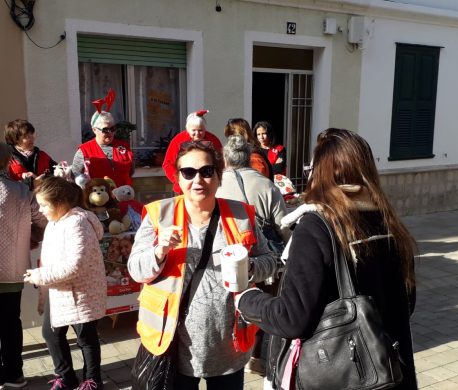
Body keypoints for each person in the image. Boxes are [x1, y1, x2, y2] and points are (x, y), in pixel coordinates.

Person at [236, 128, 418, 389]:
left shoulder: (317, 226)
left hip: (341, 374)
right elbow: (407, 304)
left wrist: (247, 299)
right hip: (389, 372)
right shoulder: (390, 224)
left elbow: (291, 318)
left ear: (321, 173)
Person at [128, 140, 277, 390]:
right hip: (173, 347)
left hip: (229, 349)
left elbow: (270, 261)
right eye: (188, 172)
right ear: (177, 178)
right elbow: (136, 269)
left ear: (219, 176)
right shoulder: (159, 215)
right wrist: (158, 251)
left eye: (207, 171)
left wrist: (248, 267)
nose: (198, 180)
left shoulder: (241, 215)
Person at [216, 134, 290, 376]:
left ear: (225, 159)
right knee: (263, 306)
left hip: (224, 257)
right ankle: (255, 357)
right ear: (249, 158)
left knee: (228, 305)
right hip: (263, 259)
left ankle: (229, 352)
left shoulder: (214, 184)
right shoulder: (266, 184)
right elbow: (283, 225)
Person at [24, 176, 106, 390]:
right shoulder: (56, 221)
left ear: (60, 203)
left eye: (43, 205)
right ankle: (66, 377)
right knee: (51, 334)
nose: (40, 210)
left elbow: (74, 265)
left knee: (85, 338)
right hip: (60, 291)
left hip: (82, 293)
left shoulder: (77, 223)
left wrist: (40, 276)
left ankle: (92, 381)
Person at [0, 142, 47, 389]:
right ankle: (13, 374)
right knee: (10, 321)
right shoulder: (20, 191)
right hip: (12, 270)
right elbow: (43, 219)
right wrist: (32, 238)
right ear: (7, 162)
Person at [163, 110, 223, 194]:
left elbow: (221, 162)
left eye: (200, 130)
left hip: (208, 185)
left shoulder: (212, 140)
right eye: (194, 130)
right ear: (188, 129)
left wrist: (217, 180)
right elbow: (168, 164)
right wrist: (179, 180)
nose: (197, 133)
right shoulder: (178, 140)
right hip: (185, 186)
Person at [71, 109, 134, 187]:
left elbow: (131, 172)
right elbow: (75, 176)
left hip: (123, 196)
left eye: (112, 129)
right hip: (97, 196)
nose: (110, 132)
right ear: (94, 130)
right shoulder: (84, 150)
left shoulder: (124, 147)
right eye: (105, 130)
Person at [5, 119, 57, 190]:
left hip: (43, 198)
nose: (32, 138)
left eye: (32, 134)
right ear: (15, 139)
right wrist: (30, 182)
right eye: (26, 136)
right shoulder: (7, 158)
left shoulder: (42, 155)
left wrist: (59, 171)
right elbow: (4, 185)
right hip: (20, 199)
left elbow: (55, 174)